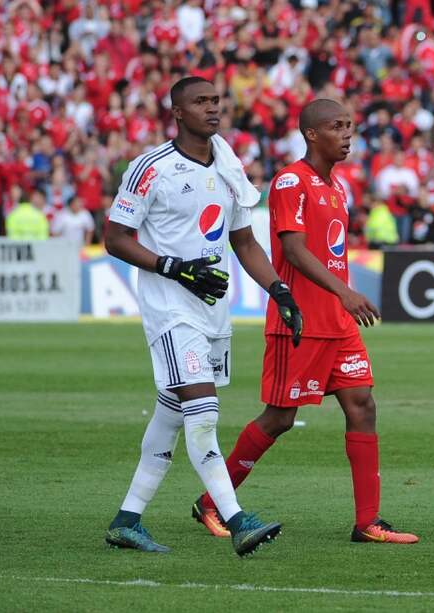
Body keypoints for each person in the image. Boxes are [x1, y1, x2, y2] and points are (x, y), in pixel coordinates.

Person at [191, 99, 419, 545]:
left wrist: (341, 299)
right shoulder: (291, 181)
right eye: (338, 127)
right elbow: (293, 250)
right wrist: (344, 291)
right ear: (312, 134)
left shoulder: (336, 188)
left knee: (362, 405)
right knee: (278, 418)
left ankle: (367, 521)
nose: (348, 135)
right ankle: (212, 502)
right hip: (300, 321)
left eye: (350, 127)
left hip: (338, 323)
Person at [103, 77, 303, 557]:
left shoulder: (229, 166)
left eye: (216, 100)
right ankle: (237, 520)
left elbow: (245, 242)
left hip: (213, 308)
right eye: (200, 101)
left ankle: (127, 520)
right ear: (177, 111)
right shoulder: (151, 168)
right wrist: (172, 267)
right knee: (204, 413)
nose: (212, 108)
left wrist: (278, 288)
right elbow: (116, 236)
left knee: (172, 414)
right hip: (171, 310)